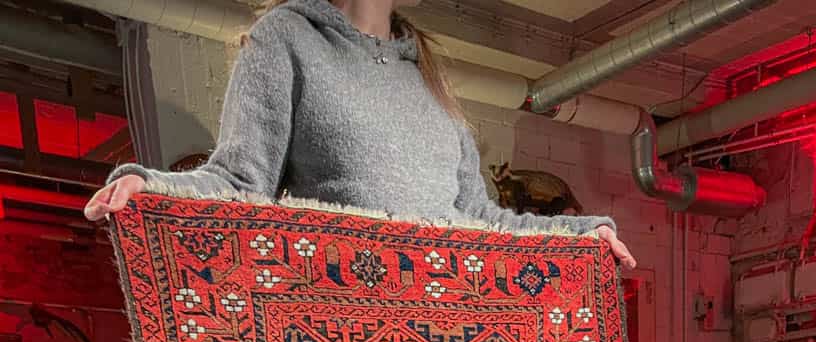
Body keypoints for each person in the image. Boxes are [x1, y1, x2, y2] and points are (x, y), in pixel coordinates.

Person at [83, 0, 635, 267]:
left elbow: (481, 220)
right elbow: (240, 182)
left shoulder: (429, 76)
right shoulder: (287, 38)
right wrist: (151, 187)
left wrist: (584, 234)